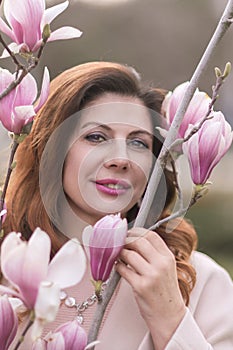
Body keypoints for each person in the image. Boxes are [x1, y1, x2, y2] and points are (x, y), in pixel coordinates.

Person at [3, 61, 233, 349]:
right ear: (52, 150)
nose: (121, 159)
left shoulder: (198, 281)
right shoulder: (7, 264)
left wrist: (170, 315)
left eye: (138, 143)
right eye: (96, 137)